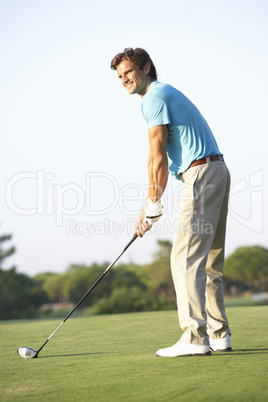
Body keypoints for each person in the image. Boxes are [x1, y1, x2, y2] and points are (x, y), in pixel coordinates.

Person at [111, 47, 232, 357]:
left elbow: (156, 155)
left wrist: (153, 203)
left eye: (129, 71)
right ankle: (219, 336)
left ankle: (194, 338)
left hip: (200, 175)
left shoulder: (152, 97)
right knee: (208, 261)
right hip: (216, 170)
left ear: (146, 67)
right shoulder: (165, 92)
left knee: (185, 258)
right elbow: (162, 162)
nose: (125, 78)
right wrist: (147, 208)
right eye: (120, 75)